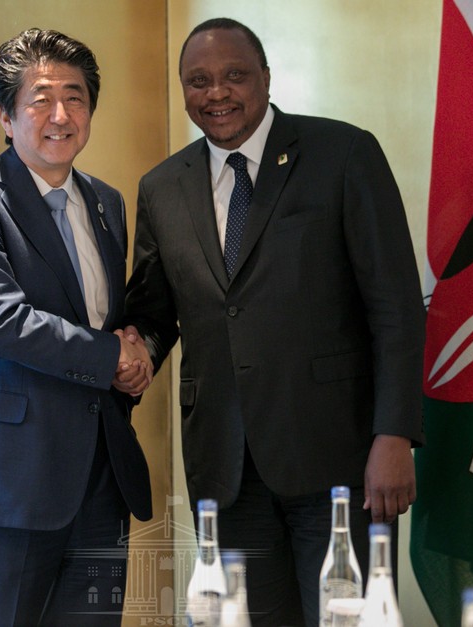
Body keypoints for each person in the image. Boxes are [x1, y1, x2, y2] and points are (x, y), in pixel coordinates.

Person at [119, 18, 425, 627]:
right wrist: (136, 352)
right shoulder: (161, 188)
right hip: (225, 470)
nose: (217, 93)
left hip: (339, 461)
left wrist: (395, 435)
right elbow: (156, 314)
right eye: (199, 81)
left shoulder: (343, 154)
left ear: (266, 78)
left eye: (235, 76)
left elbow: (394, 305)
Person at [0, 27, 153, 626]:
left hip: (101, 480)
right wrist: (112, 357)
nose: (60, 114)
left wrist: (135, 351)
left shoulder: (107, 201)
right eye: (40, 98)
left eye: (76, 97)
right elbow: (0, 323)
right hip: (11, 486)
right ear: (7, 116)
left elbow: (110, 319)